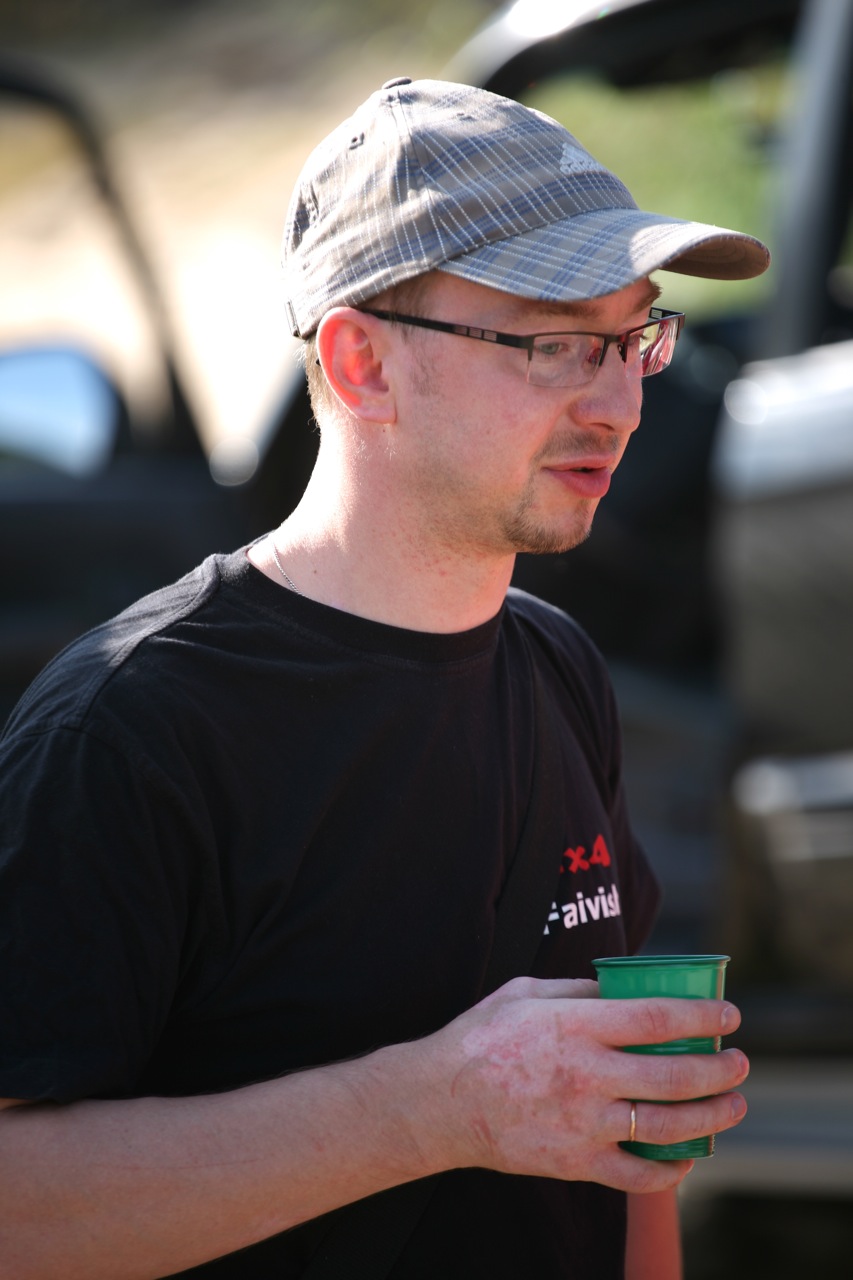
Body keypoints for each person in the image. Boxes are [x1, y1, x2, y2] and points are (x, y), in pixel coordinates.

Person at [0, 78, 769, 1279]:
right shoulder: (130, 727)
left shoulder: (555, 662)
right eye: (556, 342)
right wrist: (429, 1108)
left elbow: (626, 1134)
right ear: (361, 362)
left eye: (634, 337)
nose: (621, 402)